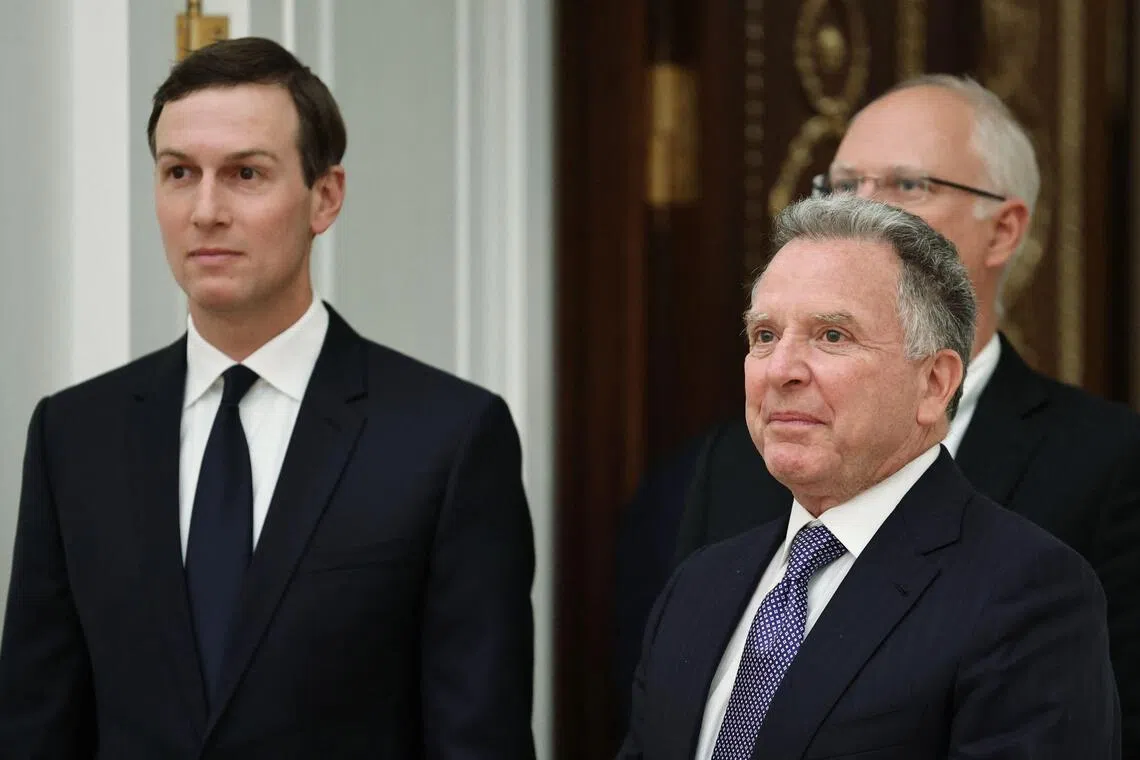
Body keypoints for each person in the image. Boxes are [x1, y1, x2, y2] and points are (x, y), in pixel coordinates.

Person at [0, 37, 535, 758]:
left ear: (325, 197)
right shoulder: (74, 435)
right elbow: (36, 724)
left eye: (245, 173)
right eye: (179, 173)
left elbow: (479, 740)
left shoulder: (448, 438)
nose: (205, 210)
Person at [612, 74, 1140, 747]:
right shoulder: (700, 584)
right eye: (764, 336)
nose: (782, 370)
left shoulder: (1034, 581)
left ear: (933, 384)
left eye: (832, 335)